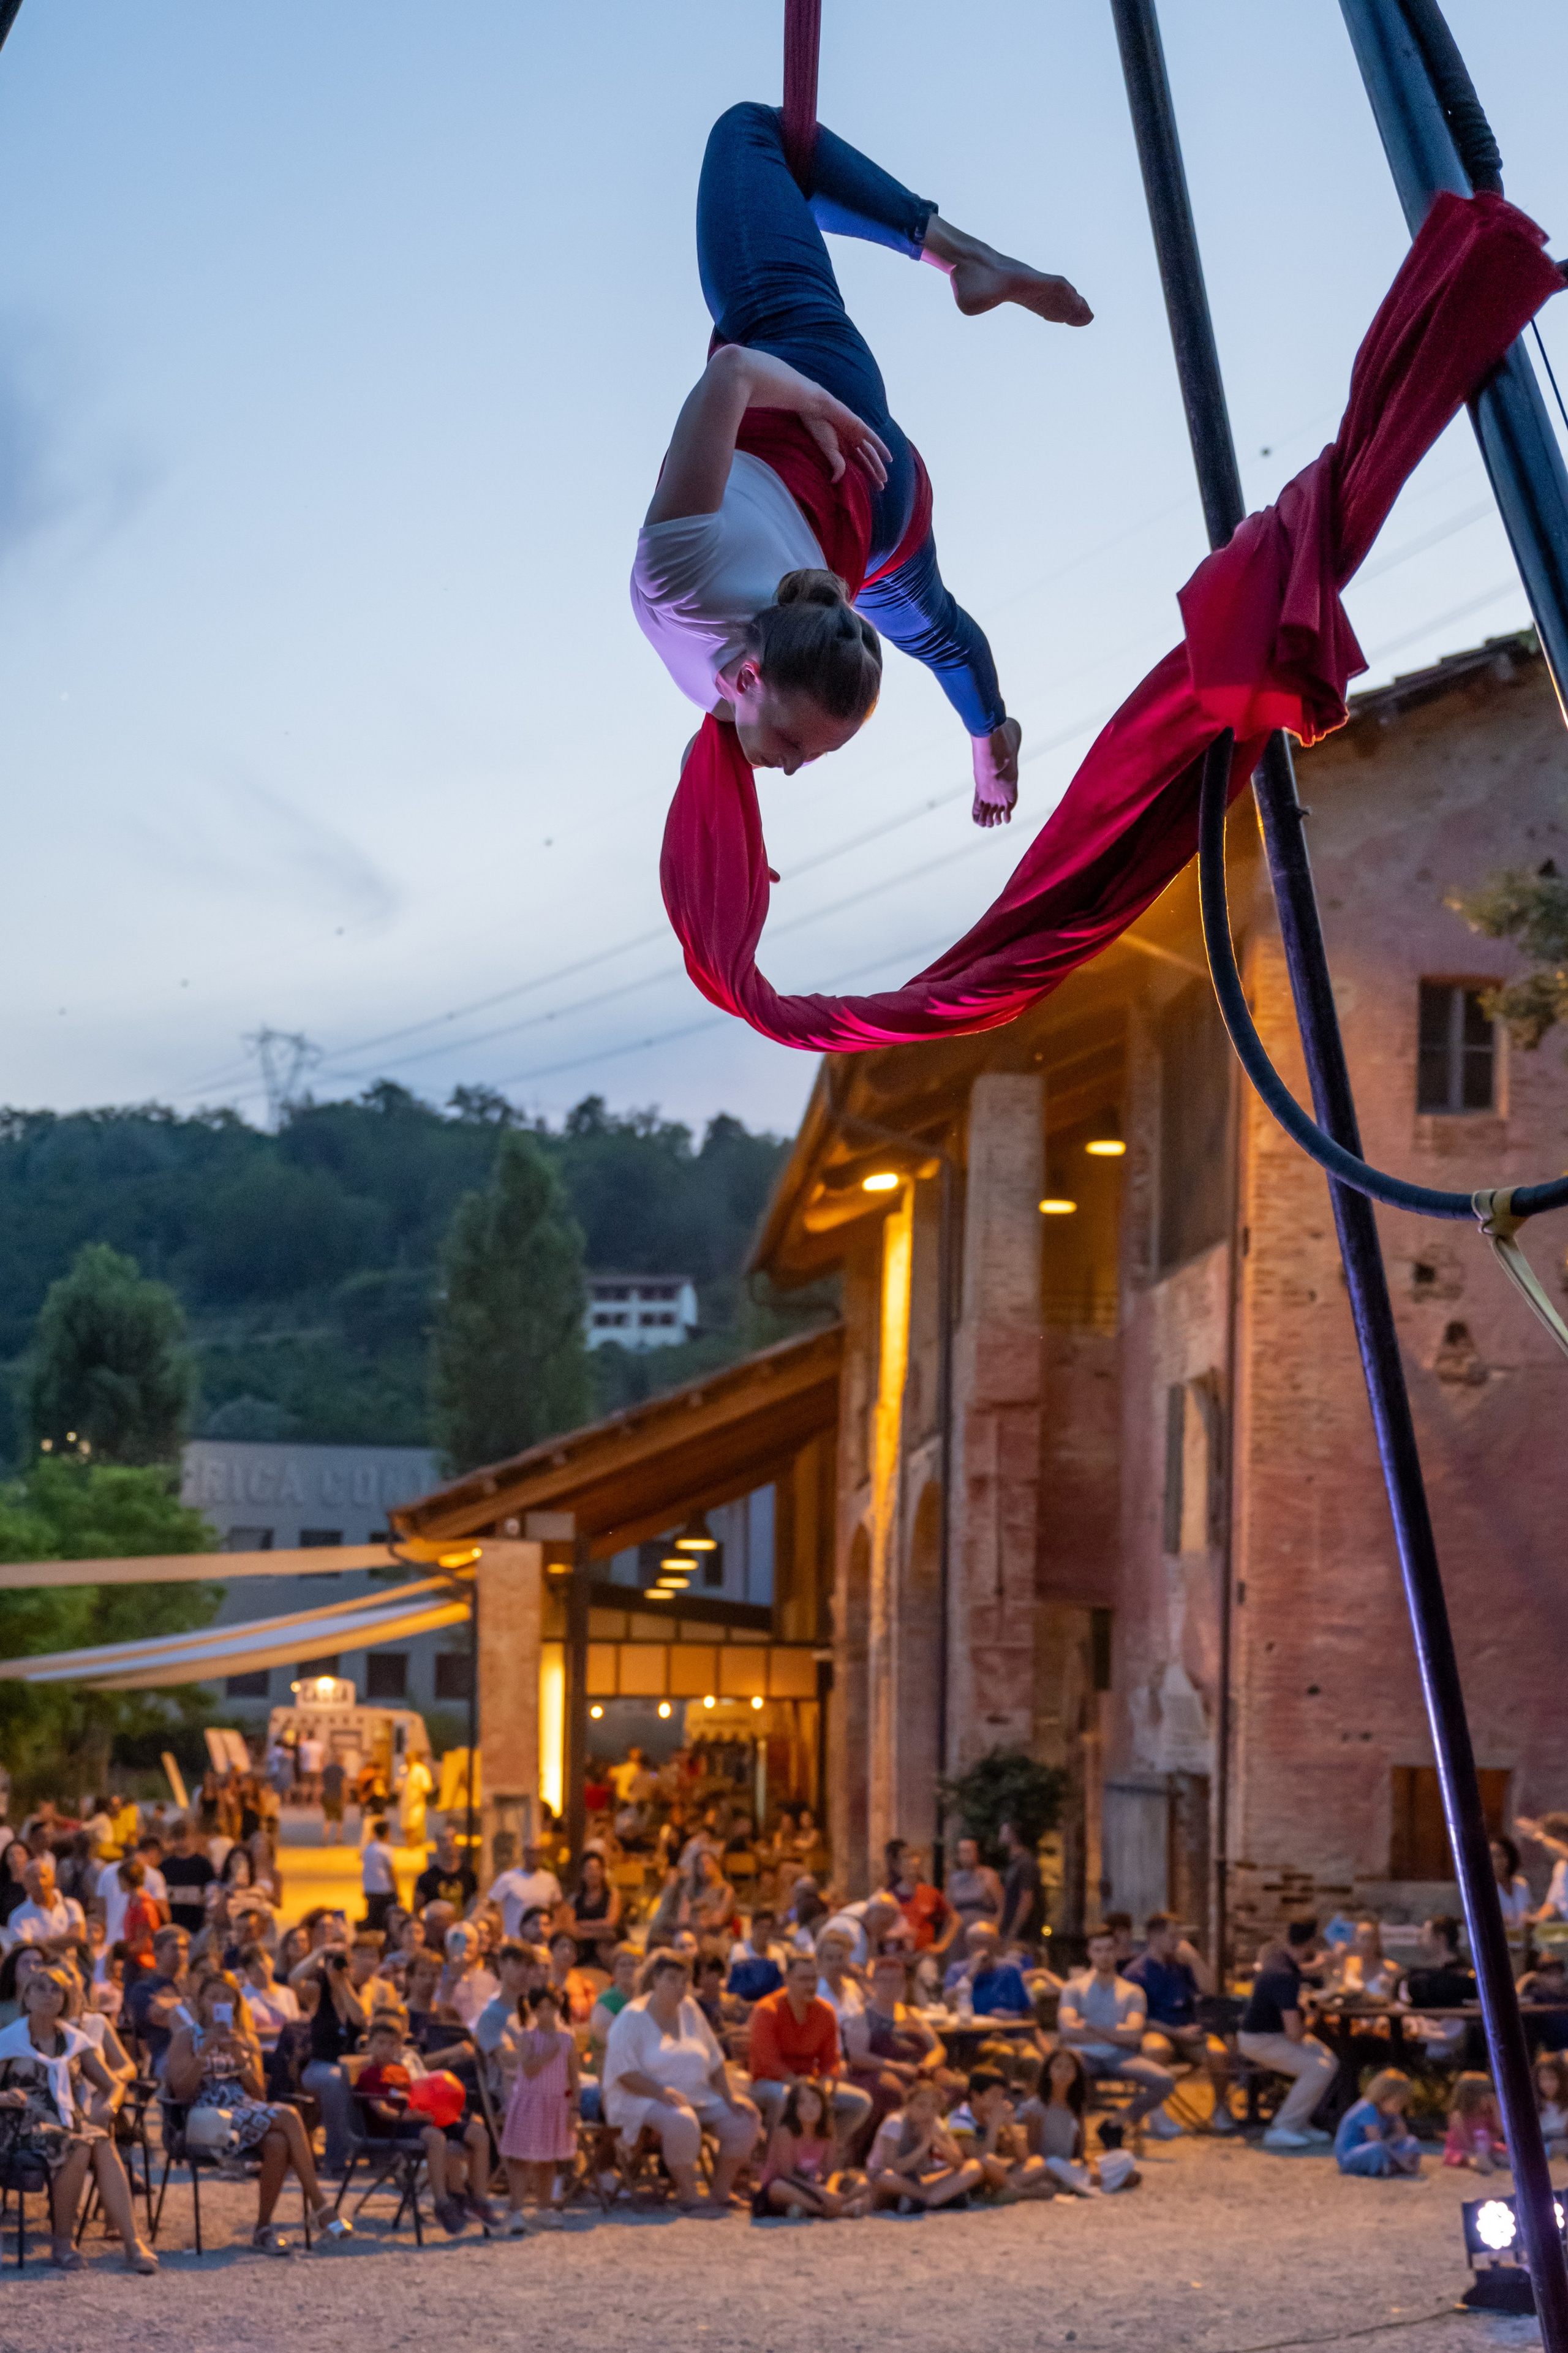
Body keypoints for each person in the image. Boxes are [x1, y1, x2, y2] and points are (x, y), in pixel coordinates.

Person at [636, 105, 1090, 826]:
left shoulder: (774, 647)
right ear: (750, 674)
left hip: (881, 516)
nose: (788, 766)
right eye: (800, 748)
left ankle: (991, 737)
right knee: (753, 137)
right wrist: (815, 396)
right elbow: (731, 380)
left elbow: (718, 780)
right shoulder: (679, 584)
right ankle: (963, 257)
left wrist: (739, 864)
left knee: (938, 630)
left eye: (800, 750)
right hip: (807, 384)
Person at [165, 1970, 350, 2254]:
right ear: (201, 2001)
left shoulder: (244, 2038)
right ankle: (320, 2205)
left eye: (227, 1998)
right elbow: (182, 2092)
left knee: (278, 2143)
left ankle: (263, 2229)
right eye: (213, 1997)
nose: (220, 2003)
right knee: (288, 2115)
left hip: (244, 2108)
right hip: (208, 2114)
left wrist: (241, 2059)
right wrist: (207, 2050)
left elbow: (259, 2095)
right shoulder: (186, 2037)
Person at [0, 1961, 157, 2272]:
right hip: (19, 2128)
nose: (48, 1995)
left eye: (56, 1990)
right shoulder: (8, 2041)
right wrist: (4, 2096)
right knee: (86, 2143)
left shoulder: (75, 2041)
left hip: (65, 2126)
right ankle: (64, 2242)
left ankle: (130, 2241)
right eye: (40, 1988)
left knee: (94, 2140)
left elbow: (113, 2084)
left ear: (65, 1999)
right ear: (27, 1997)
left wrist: (109, 2107)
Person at [601, 1951, 759, 2211]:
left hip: (696, 2095)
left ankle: (721, 2191)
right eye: (671, 1979)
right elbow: (623, 2073)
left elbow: (715, 2058)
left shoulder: (690, 2009)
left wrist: (730, 2098)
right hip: (640, 2097)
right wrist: (660, 2091)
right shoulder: (632, 2017)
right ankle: (688, 2192)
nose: (679, 1987)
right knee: (681, 2119)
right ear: (655, 1981)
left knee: (745, 2118)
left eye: (684, 1981)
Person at [356, 2010, 494, 2236]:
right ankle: (443, 2202)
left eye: (392, 2044)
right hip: (397, 2129)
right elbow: (381, 2110)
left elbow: (428, 2095)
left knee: (477, 2134)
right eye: (380, 2043)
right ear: (369, 2044)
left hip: (423, 2120)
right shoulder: (370, 2075)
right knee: (436, 2138)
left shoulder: (402, 2072)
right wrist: (412, 2117)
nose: (386, 2049)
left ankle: (478, 2198)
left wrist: (461, 2113)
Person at [1057, 1929, 1178, 2137]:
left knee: (1164, 2080)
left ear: (1117, 1952)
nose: (1104, 1956)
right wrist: (1116, 2032)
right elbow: (1068, 2030)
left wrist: (1090, 2026)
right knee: (1061, 2070)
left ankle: (1118, 2121)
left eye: (1109, 1950)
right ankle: (1070, 2131)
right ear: (1090, 1953)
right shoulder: (1074, 1988)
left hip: (1121, 2056)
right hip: (1083, 2055)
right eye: (1098, 1950)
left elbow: (1134, 2035)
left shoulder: (1132, 1991)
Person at [745, 1951, 873, 2149]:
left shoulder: (825, 2012)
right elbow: (767, 2061)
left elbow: (831, 2059)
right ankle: (776, 2157)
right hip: (770, 2082)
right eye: (803, 1979)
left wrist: (825, 2083)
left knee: (861, 2103)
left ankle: (821, 2150)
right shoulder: (767, 2010)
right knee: (787, 2097)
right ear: (787, 1979)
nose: (810, 1985)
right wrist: (800, 2087)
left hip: (811, 2082)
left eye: (813, 1979)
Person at [1125, 1911, 1231, 2135]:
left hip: (1190, 2031)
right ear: (1154, 1935)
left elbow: (1210, 1991)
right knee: (1156, 2049)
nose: (1179, 1942)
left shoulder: (1182, 1966)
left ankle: (1220, 2108)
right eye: (1173, 1935)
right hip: (1158, 2030)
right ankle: (1158, 2112)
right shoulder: (1136, 1973)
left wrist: (1195, 1959)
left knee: (1219, 2053)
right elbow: (1140, 2021)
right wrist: (1177, 2033)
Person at [1237, 1922, 1337, 2152]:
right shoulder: (1284, 1977)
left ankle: (1300, 2123)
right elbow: (1295, 2034)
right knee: (1318, 2069)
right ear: (1310, 1943)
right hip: (1260, 2040)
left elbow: (1300, 1971)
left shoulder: (1278, 1957)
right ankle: (1282, 2128)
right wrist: (1313, 2017)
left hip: (1269, 2033)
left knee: (1330, 2061)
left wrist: (1320, 1964)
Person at [500, 1982, 581, 2233]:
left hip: (556, 2104)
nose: (546, 2013)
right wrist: (548, 2054)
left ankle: (544, 2206)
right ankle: (515, 2209)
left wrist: (574, 2108)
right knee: (522, 2158)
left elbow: (574, 2077)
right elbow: (529, 2069)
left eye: (551, 2008)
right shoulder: (526, 2037)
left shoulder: (568, 2039)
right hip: (531, 2102)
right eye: (541, 2009)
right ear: (533, 2011)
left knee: (550, 2159)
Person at [298, 1930, 368, 2175]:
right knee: (336, 2079)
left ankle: (368, 2148)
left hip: (349, 2068)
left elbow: (360, 2018)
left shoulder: (354, 1989)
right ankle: (336, 2160)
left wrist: (344, 1983)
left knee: (347, 2077)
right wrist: (319, 1953)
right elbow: (294, 1979)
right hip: (317, 2067)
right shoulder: (317, 1993)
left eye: (343, 1959)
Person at [753, 2075, 869, 2219]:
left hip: (816, 2186)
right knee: (778, 2187)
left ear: (823, 2105)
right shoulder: (785, 2132)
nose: (810, 2108)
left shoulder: (827, 2132)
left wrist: (830, 2190)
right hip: (790, 2186)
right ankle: (826, 2211)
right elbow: (786, 2174)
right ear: (793, 2107)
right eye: (802, 2103)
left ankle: (812, 2208)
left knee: (862, 2182)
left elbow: (830, 2172)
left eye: (815, 2101)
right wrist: (820, 2192)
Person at [867, 2077, 984, 2213]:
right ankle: (933, 2198)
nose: (928, 2111)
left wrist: (936, 2139)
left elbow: (958, 2162)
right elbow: (894, 2168)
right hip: (892, 2181)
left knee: (974, 2166)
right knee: (885, 2176)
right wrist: (924, 2145)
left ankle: (929, 2200)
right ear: (909, 2104)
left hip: (918, 2181)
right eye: (921, 2105)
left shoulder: (935, 2122)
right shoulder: (895, 2122)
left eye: (934, 2107)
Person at [948, 2065, 1052, 2202]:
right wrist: (994, 2127)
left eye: (1002, 2096)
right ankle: (1023, 2191)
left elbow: (1023, 2158)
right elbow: (980, 2159)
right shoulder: (960, 2119)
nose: (1000, 2101)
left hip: (994, 2174)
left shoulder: (990, 2115)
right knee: (989, 2161)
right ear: (975, 2095)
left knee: (1037, 2162)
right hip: (969, 2174)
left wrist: (1011, 2127)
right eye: (994, 2096)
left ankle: (1006, 2190)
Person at [1019, 2045, 1102, 2196]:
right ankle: (1073, 2183)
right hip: (1049, 2166)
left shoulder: (1077, 2107)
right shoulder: (1037, 2106)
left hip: (1069, 2165)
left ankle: (1075, 2182)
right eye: (1058, 2067)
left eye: (1069, 2068)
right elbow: (1034, 2152)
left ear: (1076, 2074)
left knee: (1124, 2159)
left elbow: (1082, 2150)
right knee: (1054, 2164)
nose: (1063, 2072)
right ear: (1048, 2072)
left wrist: (1092, 2166)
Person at [1334, 2069, 1423, 2177]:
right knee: (1377, 2148)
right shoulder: (1367, 2109)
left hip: (1382, 2148)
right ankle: (1389, 2167)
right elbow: (1376, 2140)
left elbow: (1402, 2134)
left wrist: (1390, 2143)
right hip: (1352, 2155)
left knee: (1412, 2141)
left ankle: (1391, 2166)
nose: (1399, 2109)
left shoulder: (1390, 2112)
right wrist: (1400, 2159)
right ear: (1383, 2098)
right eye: (1397, 2104)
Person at [944, 1921, 1033, 2017]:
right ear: (968, 1945)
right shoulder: (957, 1970)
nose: (985, 1948)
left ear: (997, 1945)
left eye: (989, 1943)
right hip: (970, 2030)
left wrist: (1011, 2016)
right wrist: (971, 1973)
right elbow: (948, 2005)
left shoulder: (1011, 1970)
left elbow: (1027, 2012)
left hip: (1008, 2029)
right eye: (978, 1943)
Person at [2, 1854, 87, 1955]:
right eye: (33, 1878)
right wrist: (64, 1940)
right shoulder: (18, 1916)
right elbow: (23, 1951)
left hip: (68, 1967)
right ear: (25, 1884)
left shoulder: (71, 1905)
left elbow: (78, 1936)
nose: (40, 1882)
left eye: (44, 1876)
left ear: (53, 1878)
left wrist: (37, 1944)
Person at [884, 1842, 955, 1955]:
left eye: (916, 1867)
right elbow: (875, 1932)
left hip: (924, 1955)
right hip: (895, 1956)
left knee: (927, 1973)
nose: (912, 1871)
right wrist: (901, 1935)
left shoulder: (931, 1893)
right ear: (900, 1868)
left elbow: (954, 1919)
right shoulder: (887, 1897)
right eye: (908, 1867)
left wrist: (942, 1945)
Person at [488, 1837, 563, 1942]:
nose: (535, 1856)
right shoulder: (508, 1878)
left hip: (541, 1940)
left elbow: (557, 1908)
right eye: (531, 1852)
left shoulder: (550, 1880)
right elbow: (490, 1905)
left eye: (539, 1852)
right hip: (514, 1939)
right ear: (524, 1853)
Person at [566, 1849, 621, 1971]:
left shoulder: (612, 1895)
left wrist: (582, 1927)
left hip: (605, 1954)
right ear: (582, 1873)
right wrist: (599, 1932)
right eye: (589, 1869)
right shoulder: (575, 1899)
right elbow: (570, 1928)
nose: (593, 1873)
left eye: (597, 1869)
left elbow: (610, 1923)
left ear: (602, 1872)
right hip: (581, 1954)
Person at [161, 1818, 216, 1936]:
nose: (180, 1842)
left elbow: (211, 1892)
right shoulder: (166, 1865)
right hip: (172, 1925)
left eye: (183, 1837)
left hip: (196, 1925)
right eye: (177, 1837)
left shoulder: (202, 1864)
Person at [997, 1820, 1046, 1950]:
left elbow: (1027, 1899)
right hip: (1011, 1928)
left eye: (1003, 1831)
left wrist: (1013, 1931)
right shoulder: (1014, 1863)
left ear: (1013, 1835)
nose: (1000, 1834)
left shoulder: (1025, 1863)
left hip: (1024, 1934)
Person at [1446, 2072, 1507, 2172]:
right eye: (1485, 2095)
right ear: (1473, 2097)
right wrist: (1482, 2152)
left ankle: (1487, 2161)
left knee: (1508, 2155)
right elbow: (1466, 2145)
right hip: (1464, 2152)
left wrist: (1495, 2106)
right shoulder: (1458, 2116)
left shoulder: (1485, 2115)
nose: (1488, 2098)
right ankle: (1482, 2164)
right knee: (1472, 2159)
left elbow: (1501, 2130)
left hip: (1485, 2151)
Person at [945, 1835, 1005, 1939]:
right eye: (962, 1852)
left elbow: (1002, 1907)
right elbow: (947, 1908)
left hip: (982, 1931)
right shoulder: (954, 1879)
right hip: (959, 1932)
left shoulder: (989, 1875)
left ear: (977, 1853)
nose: (965, 1855)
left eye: (968, 1851)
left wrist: (995, 1928)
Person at [728, 1906, 789, 2004]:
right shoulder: (738, 1950)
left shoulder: (778, 1953)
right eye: (761, 1927)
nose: (764, 1932)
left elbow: (783, 1984)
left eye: (768, 1928)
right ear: (753, 1927)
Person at [1332, 1918, 1402, 2003]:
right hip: (1356, 2013)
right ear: (1355, 1940)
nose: (1367, 1944)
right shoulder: (1350, 1963)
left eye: (1371, 1938)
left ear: (1377, 1941)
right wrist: (1340, 1959)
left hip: (1383, 2012)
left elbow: (1398, 1998)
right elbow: (1341, 1986)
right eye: (1362, 1938)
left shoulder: (1390, 1967)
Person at [413, 1828, 477, 1918]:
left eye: (453, 1839)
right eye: (444, 1840)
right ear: (437, 1844)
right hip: (436, 1929)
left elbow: (476, 1905)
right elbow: (416, 1911)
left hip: (462, 1927)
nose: (449, 1844)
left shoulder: (469, 1876)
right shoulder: (426, 1878)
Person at [360, 1817, 399, 1933]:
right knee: (388, 1921)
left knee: (373, 1920)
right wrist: (396, 1889)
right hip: (385, 1890)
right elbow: (391, 1872)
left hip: (370, 1889)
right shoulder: (387, 1850)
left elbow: (366, 1869)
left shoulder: (368, 1849)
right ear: (387, 1833)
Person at [1489, 1836, 1533, 1930]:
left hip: (1523, 1940)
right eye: (1493, 1856)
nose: (1497, 1861)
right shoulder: (1485, 1889)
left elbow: (1529, 1914)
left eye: (1502, 1855)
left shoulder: (1522, 1884)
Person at [1536, 2055, 1568, 2155]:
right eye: (1544, 2079)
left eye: (1552, 2079)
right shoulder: (1536, 2105)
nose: (1548, 2084)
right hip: (1544, 2144)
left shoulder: (1565, 2104)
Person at [320, 1754, 347, 1839]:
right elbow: (344, 1784)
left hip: (326, 1795)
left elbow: (322, 1782)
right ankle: (338, 1838)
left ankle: (325, 1837)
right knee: (340, 1819)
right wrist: (345, 1797)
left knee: (328, 1818)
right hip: (337, 1795)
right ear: (341, 1760)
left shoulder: (327, 1769)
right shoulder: (341, 1770)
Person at [296, 1731, 325, 1807]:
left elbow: (302, 1757)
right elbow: (321, 1758)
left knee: (305, 1785)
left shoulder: (305, 1745)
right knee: (316, 1786)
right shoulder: (319, 1745)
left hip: (305, 1768)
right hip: (317, 1768)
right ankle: (315, 1803)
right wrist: (321, 1767)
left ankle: (304, 1803)